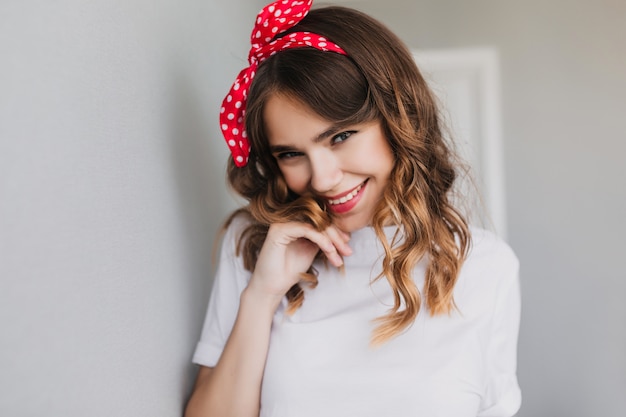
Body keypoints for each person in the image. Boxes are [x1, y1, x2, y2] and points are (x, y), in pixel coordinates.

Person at [185, 1, 521, 416]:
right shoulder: (254, 246)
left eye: (340, 137)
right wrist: (262, 295)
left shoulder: (485, 267)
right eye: (291, 154)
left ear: (398, 118)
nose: (322, 179)